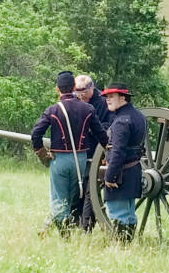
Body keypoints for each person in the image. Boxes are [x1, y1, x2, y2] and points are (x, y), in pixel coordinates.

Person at [31, 71, 108, 236]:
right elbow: (102, 135)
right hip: (80, 159)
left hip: (59, 159)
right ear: (73, 87)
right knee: (74, 199)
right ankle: (70, 229)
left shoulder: (53, 109)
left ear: (57, 89)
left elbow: (36, 134)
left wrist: (42, 154)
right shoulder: (88, 108)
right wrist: (107, 155)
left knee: (59, 198)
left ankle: (65, 237)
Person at [101, 82, 146, 242]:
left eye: (111, 96)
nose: (108, 100)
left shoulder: (121, 121)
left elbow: (118, 152)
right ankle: (126, 245)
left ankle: (121, 246)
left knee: (117, 212)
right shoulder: (138, 116)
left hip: (121, 173)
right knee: (128, 213)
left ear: (123, 97)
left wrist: (109, 177)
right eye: (106, 97)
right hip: (133, 170)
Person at [72, 74, 112, 232]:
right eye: (77, 90)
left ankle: (86, 226)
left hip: (98, 149)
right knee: (79, 188)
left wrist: (92, 127)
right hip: (81, 150)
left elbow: (110, 124)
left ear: (91, 88)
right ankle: (75, 222)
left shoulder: (103, 102)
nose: (79, 94)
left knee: (91, 189)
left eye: (82, 90)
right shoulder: (75, 102)